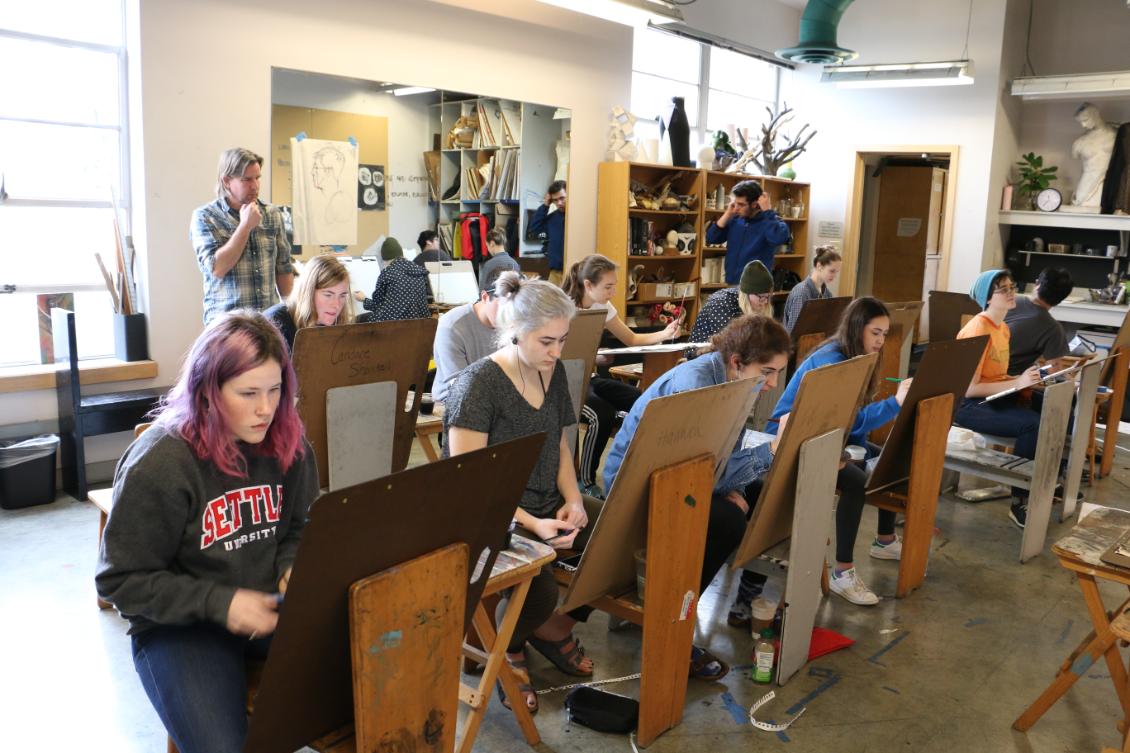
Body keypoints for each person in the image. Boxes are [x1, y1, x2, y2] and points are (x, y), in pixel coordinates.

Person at [95, 311, 319, 753]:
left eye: (276, 391)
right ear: (208, 393)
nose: (266, 409)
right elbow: (119, 581)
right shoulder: (162, 461)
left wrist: (292, 564)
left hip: (268, 609)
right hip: (182, 627)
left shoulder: (288, 440)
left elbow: (299, 524)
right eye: (248, 393)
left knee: (368, 677)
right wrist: (223, 603)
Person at [603, 315, 791, 679]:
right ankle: (671, 622)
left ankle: (730, 601)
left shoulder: (733, 381)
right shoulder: (699, 385)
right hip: (635, 488)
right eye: (767, 372)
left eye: (777, 374)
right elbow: (689, 473)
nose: (772, 383)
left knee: (756, 490)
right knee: (727, 520)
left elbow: (714, 459)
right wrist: (762, 456)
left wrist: (727, 484)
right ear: (737, 362)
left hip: (676, 477)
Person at [444, 272, 597, 714]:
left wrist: (572, 500)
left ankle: (549, 631)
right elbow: (472, 481)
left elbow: (561, 445)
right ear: (515, 332)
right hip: (493, 513)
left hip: (546, 502)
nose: (556, 352)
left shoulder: (554, 370)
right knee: (543, 589)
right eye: (546, 341)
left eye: (563, 340)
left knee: (612, 539)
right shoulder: (478, 385)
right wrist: (533, 524)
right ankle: (509, 645)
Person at [766, 297, 913, 607]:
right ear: (858, 328)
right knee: (857, 482)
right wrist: (895, 403)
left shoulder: (855, 356)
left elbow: (848, 424)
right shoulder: (832, 359)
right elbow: (852, 420)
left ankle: (884, 540)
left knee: (890, 457)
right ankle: (842, 573)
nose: (881, 341)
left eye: (885, 334)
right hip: (789, 437)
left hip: (827, 433)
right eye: (876, 332)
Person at [561, 254, 681, 498]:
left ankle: (636, 470)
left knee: (641, 400)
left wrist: (665, 333)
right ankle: (585, 481)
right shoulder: (563, 308)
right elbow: (558, 353)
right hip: (565, 381)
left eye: (614, 285)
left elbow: (632, 339)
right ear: (588, 285)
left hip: (589, 376)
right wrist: (594, 357)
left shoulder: (602, 305)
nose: (613, 291)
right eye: (608, 286)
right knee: (600, 414)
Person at [955, 269, 1043, 529]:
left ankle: (1050, 477)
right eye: (1003, 289)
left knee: (1052, 406)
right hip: (968, 405)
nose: (1011, 292)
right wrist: (1017, 383)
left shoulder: (1002, 328)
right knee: (1032, 424)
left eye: (1012, 287)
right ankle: (1020, 500)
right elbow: (969, 389)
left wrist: (1023, 382)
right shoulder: (977, 330)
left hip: (993, 396)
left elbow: (996, 376)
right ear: (988, 298)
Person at [191, 148, 294, 325]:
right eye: (246, 179)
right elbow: (217, 268)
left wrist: (293, 312)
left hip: (268, 323)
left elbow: (283, 270)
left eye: (257, 178)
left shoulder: (272, 214)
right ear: (227, 181)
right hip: (227, 326)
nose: (255, 186)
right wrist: (245, 226)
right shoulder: (205, 217)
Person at [704, 179, 790, 285]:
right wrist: (727, 214)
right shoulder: (735, 220)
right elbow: (711, 238)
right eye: (735, 203)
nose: (737, 208)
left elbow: (778, 238)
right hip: (732, 283)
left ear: (754, 204)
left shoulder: (771, 221)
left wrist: (767, 212)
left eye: (741, 204)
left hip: (756, 287)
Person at [264, 254, 354, 352]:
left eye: (342, 296)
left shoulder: (335, 325)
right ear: (308, 292)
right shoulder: (276, 323)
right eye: (328, 295)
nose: (336, 305)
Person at [432, 286, 501, 404]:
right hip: (454, 402)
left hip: (498, 400)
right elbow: (461, 387)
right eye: (504, 305)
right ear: (485, 297)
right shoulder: (452, 326)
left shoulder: (517, 322)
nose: (511, 314)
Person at [1005, 266, 1073, 374]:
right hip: (1009, 381)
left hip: (977, 370)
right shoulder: (1054, 329)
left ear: (1037, 283)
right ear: (1062, 298)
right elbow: (1054, 372)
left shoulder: (1007, 301)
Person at [690, 260, 774, 345]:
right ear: (747, 293)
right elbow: (731, 345)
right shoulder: (722, 306)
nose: (765, 301)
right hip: (704, 354)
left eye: (768, 296)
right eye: (761, 297)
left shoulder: (751, 302)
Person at [353, 237, 431, 321]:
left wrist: (364, 299)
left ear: (385, 259)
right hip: (421, 323)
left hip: (393, 324)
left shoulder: (387, 273)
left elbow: (377, 305)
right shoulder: (418, 271)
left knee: (359, 319)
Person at [782, 246, 841, 333]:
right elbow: (794, 333)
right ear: (819, 266)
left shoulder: (827, 293)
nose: (835, 276)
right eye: (832, 271)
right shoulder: (801, 293)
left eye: (836, 272)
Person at [529, 180, 567, 285]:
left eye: (562, 198)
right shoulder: (552, 218)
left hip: (573, 272)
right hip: (555, 273)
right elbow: (535, 228)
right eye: (555, 200)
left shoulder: (576, 216)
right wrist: (545, 205)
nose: (559, 203)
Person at [478, 226, 521, 292]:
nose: (488, 250)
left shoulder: (488, 265)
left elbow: (482, 292)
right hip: (511, 301)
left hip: (493, 301)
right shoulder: (515, 264)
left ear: (492, 244)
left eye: (487, 246)